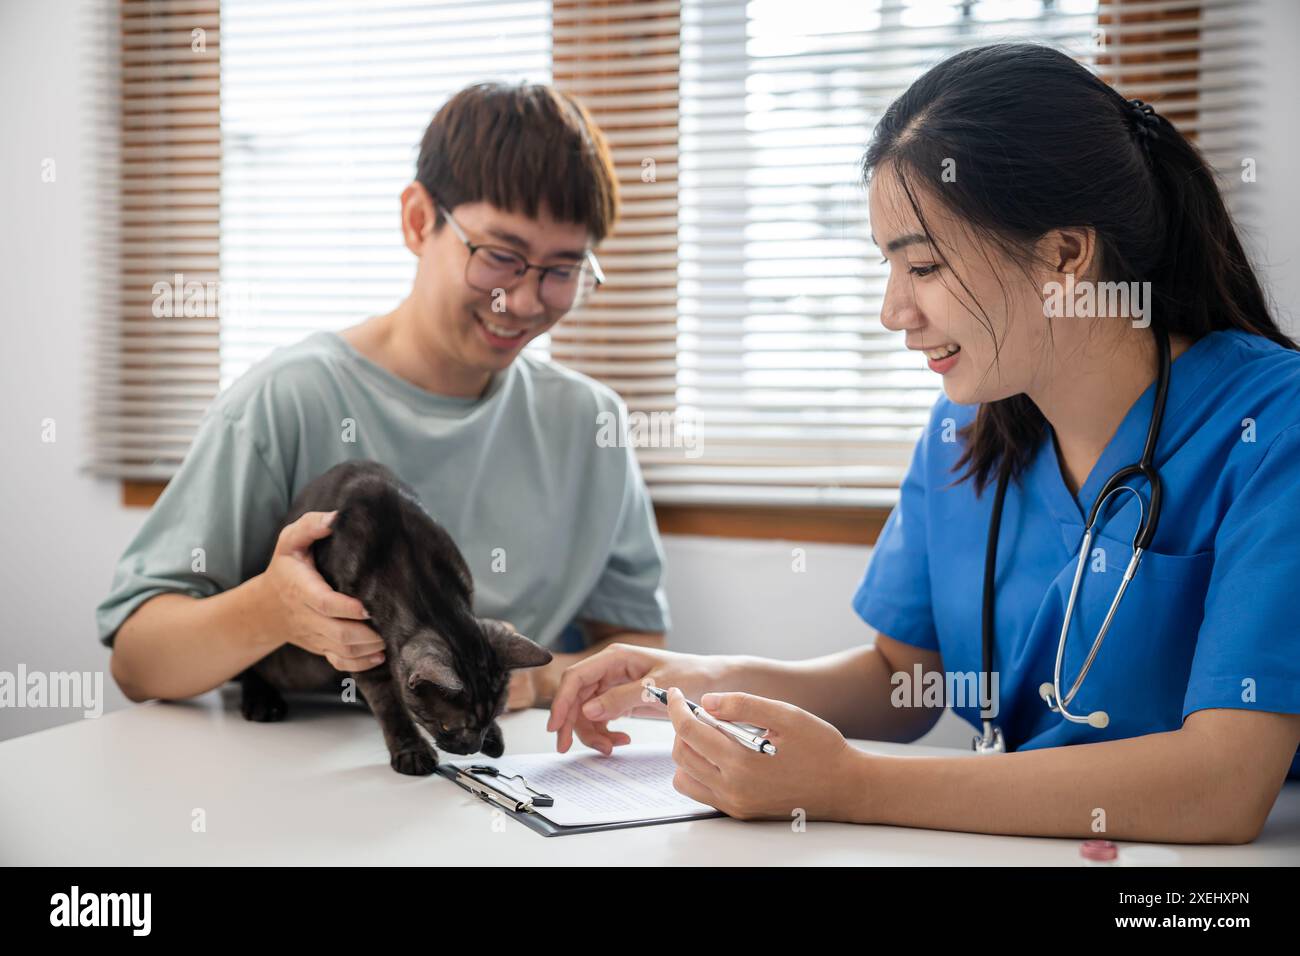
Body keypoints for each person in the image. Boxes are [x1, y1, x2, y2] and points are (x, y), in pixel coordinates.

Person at [547, 44, 1300, 844]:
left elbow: (1224, 784)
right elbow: (904, 679)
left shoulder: (1272, 425)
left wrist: (848, 783)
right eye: (888, 267)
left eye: (925, 265)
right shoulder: (962, 432)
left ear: (1066, 256)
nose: (892, 310)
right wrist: (705, 677)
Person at [99, 83, 669, 710]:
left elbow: (636, 644)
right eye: (501, 257)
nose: (528, 301)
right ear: (418, 220)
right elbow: (137, 661)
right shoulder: (287, 401)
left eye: (562, 270)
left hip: (506, 767)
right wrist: (272, 611)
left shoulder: (591, 423)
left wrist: (531, 680)